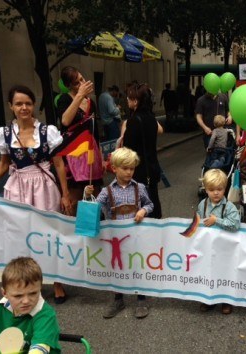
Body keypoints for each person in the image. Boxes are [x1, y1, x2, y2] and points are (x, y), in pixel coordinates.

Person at [0, 85, 70, 304]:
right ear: (11, 106)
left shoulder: (47, 132)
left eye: (28, 103)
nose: (24, 107)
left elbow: (58, 163)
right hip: (18, 187)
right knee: (22, 236)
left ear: (33, 105)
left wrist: (65, 194)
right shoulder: (6, 133)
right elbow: (4, 164)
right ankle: (29, 285)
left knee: (49, 235)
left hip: (43, 186)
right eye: (19, 103)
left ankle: (57, 281)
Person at [85, 147, 154, 319]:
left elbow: (150, 204)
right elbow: (93, 208)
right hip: (115, 238)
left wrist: (143, 211)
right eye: (125, 168)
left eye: (132, 168)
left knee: (136, 265)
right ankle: (118, 299)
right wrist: (87, 195)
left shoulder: (140, 187)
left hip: (136, 238)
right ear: (114, 168)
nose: (129, 172)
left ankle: (141, 299)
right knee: (117, 267)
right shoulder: (106, 191)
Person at [0, 257, 61, 353]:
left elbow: (39, 349)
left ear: (40, 288)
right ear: (4, 293)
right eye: (18, 296)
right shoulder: (3, 306)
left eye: (33, 293)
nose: (26, 301)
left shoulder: (45, 315)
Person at [56, 66, 103, 217]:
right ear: (68, 85)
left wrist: (100, 158)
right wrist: (79, 96)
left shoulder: (91, 103)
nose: (82, 84)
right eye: (77, 83)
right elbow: (65, 121)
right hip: (73, 157)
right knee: (76, 201)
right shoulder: (64, 99)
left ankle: (93, 229)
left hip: (90, 155)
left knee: (94, 197)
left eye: (82, 79)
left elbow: (95, 132)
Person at [196, 169, 241, 314]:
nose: (216, 193)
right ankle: (209, 299)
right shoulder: (202, 204)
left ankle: (226, 300)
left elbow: (235, 224)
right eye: (211, 189)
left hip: (224, 248)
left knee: (224, 273)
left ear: (225, 188)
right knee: (208, 272)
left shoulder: (229, 206)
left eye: (219, 189)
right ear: (206, 190)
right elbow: (197, 220)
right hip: (207, 247)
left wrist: (217, 220)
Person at [121, 83, 163, 219]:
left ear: (135, 101)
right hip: (152, 168)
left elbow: (127, 150)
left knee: (140, 209)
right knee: (152, 202)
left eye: (129, 98)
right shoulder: (151, 118)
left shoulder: (133, 121)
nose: (127, 100)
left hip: (138, 171)